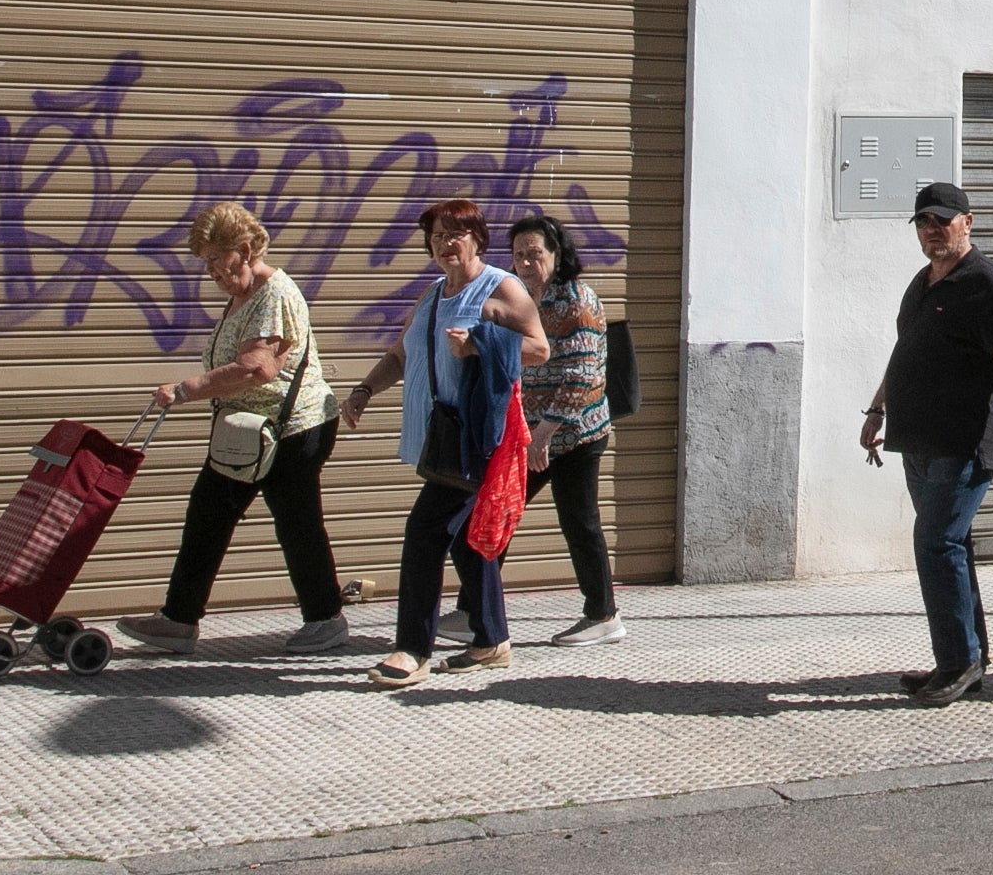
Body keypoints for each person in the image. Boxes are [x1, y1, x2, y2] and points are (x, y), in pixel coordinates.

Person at [116, 204, 350, 655]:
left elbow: (255, 368)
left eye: (214, 259)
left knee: (295, 523)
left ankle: (325, 619)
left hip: (291, 429)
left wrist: (185, 390)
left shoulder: (273, 294)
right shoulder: (245, 295)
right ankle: (179, 619)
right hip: (251, 430)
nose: (210, 271)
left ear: (243, 250)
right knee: (210, 514)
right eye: (204, 261)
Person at [342, 197, 546, 689]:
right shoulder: (433, 295)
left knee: (424, 533)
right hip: (443, 435)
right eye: (436, 236)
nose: (445, 244)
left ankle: (413, 649)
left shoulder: (500, 286)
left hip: (478, 434)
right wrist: (364, 390)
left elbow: (539, 348)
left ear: (478, 239)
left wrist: (479, 343)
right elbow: (401, 354)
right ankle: (491, 640)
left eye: (455, 234)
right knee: (466, 538)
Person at [860, 181, 993, 706]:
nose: (932, 230)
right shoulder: (923, 283)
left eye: (942, 220)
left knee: (936, 542)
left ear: (968, 222)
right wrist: (877, 408)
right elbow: (905, 352)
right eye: (923, 222)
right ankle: (966, 659)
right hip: (917, 440)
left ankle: (958, 662)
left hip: (964, 442)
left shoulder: (990, 285)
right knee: (950, 546)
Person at [441, 213, 621, 647]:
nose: (525, 262)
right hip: (528, 434)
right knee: (493, 513)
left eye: (534, 253)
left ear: (556, 254)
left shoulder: (576, 300)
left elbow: (580, 376)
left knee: (579, 522)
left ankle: (603, 615)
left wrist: (544, 435)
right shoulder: (519, 298)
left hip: (575, 435)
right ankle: (474, 610)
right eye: (518, 254)